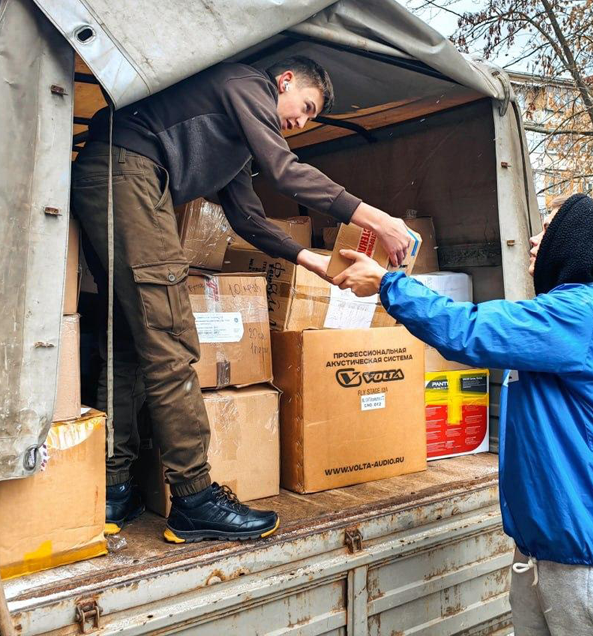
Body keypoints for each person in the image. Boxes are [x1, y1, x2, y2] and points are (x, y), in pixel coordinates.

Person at [74, 55, 411, 543]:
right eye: (306, 107)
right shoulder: (246, 82)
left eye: (310, 119)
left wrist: (312, 262)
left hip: (116, 174)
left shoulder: (235, 139)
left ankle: (115, 489)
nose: (301, 121)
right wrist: (375, 219)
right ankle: (193, 499)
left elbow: (248, 219)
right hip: (128, 171)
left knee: (127, 337)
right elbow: (284, 170)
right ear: (285, 80)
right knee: (171, 341)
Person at [334, 193, 593, 635]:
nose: (532, 239)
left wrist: (389, 284)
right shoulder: (570, 314)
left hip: (591, 546)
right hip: (544, 546)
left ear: (576, 245)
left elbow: (469, 330)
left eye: (547, 231)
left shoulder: (583, 314)